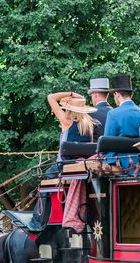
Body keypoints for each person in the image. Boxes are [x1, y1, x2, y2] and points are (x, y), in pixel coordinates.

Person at [28, 91, 99, 230]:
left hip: (65, 165)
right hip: (82, 164)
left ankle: (38, 221)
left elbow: (50, 97)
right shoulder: (89, 124)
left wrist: (71, 93)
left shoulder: (66, 122)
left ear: (69, 109)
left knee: (45, 181)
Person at [104, 74, 140, 138]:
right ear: (131, 95)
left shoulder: (113, 114)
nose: (114, 98)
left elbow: (107, 141)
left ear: (117, 94)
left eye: (114, 95)